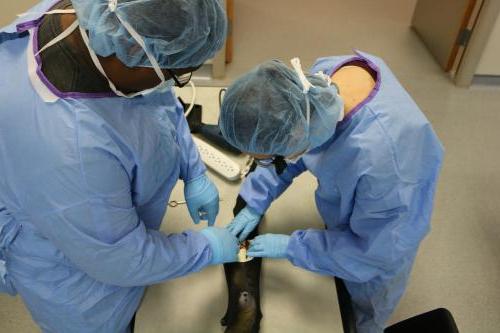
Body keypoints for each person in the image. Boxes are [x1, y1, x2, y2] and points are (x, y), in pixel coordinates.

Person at [0, 0, 239, 332]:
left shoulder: (98, 17)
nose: (174, 82)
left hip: (92, 226)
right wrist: (206, 248)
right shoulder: (74, 150)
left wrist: (193, 167)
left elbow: (157, 100)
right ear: (131, 54)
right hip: (81, 288)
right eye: (176, 72)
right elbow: (120, 261)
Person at [219, 52, 444, 333]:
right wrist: (255, 198)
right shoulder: (319, 85)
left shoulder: (384, 164)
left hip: (379, 244)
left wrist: (294, 247)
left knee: (360, 311)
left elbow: (375, 252)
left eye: (269, 158)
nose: (268, 165)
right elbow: (299, 140)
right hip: (360, 207)